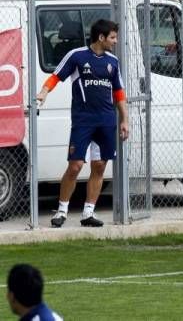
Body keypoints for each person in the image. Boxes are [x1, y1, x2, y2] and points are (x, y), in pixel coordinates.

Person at [36, 19, 129, 228]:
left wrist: (125, 119)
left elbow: (119, 93)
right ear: (101, 37)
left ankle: (88, 213)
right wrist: (44, 92)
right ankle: (61, 211)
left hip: (106, 121)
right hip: (83, 121)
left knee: (99, 166)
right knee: (75, 166)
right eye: (113, 37)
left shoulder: (113, 62)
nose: (115, 41)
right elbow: (56, 76)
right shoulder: (77, 56)